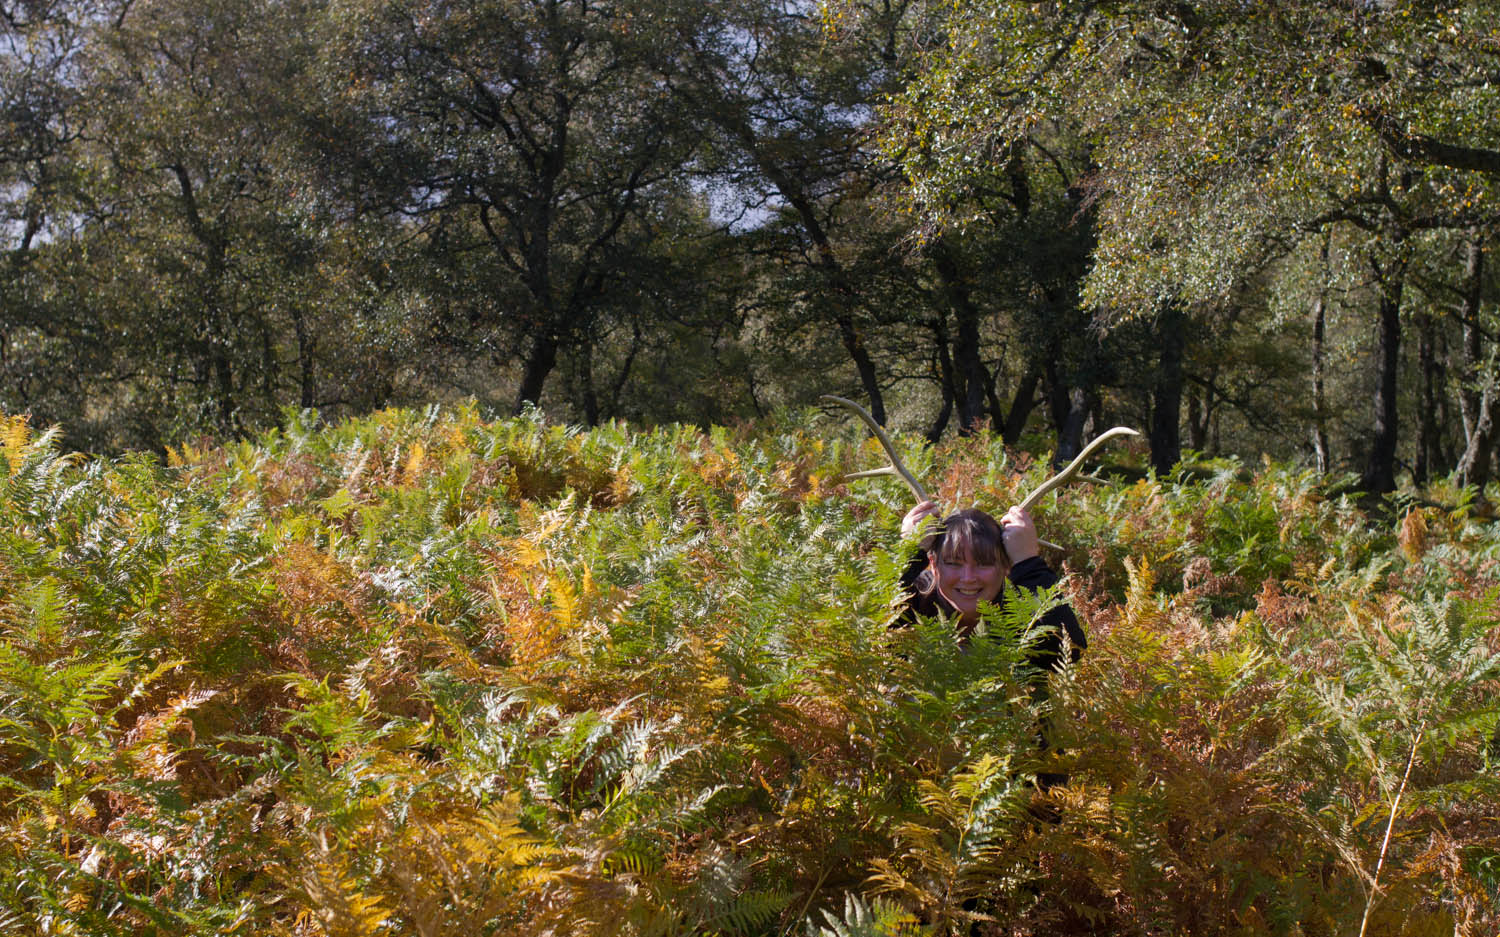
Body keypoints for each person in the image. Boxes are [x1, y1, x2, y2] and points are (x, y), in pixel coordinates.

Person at [895, 500, 1085, 673]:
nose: (968, 578)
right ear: (934, 565)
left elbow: (1069, 653)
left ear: (1005, 566)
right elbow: (875, 634)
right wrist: (910, 554)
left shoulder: (1021, 611)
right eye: (954, 563)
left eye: (984, 563)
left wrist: (1028, 563)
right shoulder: (913, 597)